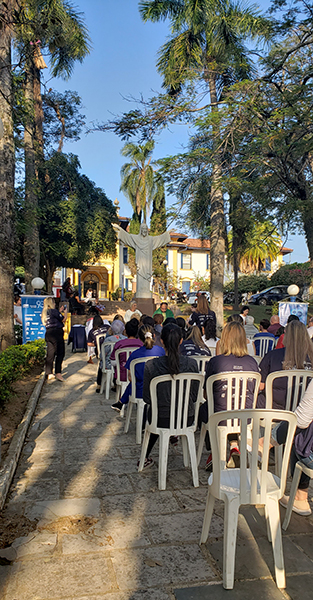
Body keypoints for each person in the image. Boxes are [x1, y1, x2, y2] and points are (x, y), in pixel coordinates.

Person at [199, 321, 259, 470]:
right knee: (231, 407)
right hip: (246, 417)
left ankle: (215, 451)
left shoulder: (215, 362)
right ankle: (234, 447)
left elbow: (207, 393)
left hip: (221, 416)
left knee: (206, 409)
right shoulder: (252, 362)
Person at [140, 323, 200, 469]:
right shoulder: (192, 364)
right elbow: (194, 396)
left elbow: (147, 399)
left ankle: (145, 456)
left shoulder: (151, 365)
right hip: (187, 418)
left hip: (159, 419)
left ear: (162, 341)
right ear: (181, 341)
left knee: (156, 412)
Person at [257, 320, 313, 410]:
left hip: (272, 408)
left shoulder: (272, 356)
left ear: (286, 335)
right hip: (303, 410)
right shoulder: (311, 357)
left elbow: (260, 385)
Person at [111, 324, 165, 412]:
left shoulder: (135, 354)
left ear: (139, 338)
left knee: (136, 382)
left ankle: (121, 402)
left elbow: (130, 378)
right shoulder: (161, 351)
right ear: (154, 336)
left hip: (140, 392)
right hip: (159, 390)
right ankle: (121, 402)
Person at [114, 222, 170, 298]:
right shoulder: (136, 238)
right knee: (140, 274)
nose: (144, 231)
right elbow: (127, 236)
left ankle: (146, 291)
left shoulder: (151, 239)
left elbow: (159, 239)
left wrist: (167, 234)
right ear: (140, 230)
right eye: (142, 229)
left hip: (147, 262)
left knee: (147, 275)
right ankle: (140, 291)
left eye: (145, 229)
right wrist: (119, 229)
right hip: (140, 261)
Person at [110, 318, 143, 397]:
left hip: (122, 375)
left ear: (125, 332)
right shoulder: (141, 344)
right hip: (138, 375)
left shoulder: (119, 344)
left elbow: (113, 362)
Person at [41, 297, 67, 381]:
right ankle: (58, 373)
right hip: (56, 333)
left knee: (50, 353)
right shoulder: (53, 311)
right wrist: (65, 313)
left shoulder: (45, 313)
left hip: (48, 333)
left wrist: (59, 311)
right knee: (60, 352)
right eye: (54, 302)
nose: (55, 304)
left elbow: (54, 318)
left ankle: (49, 372)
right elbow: (63, 319)